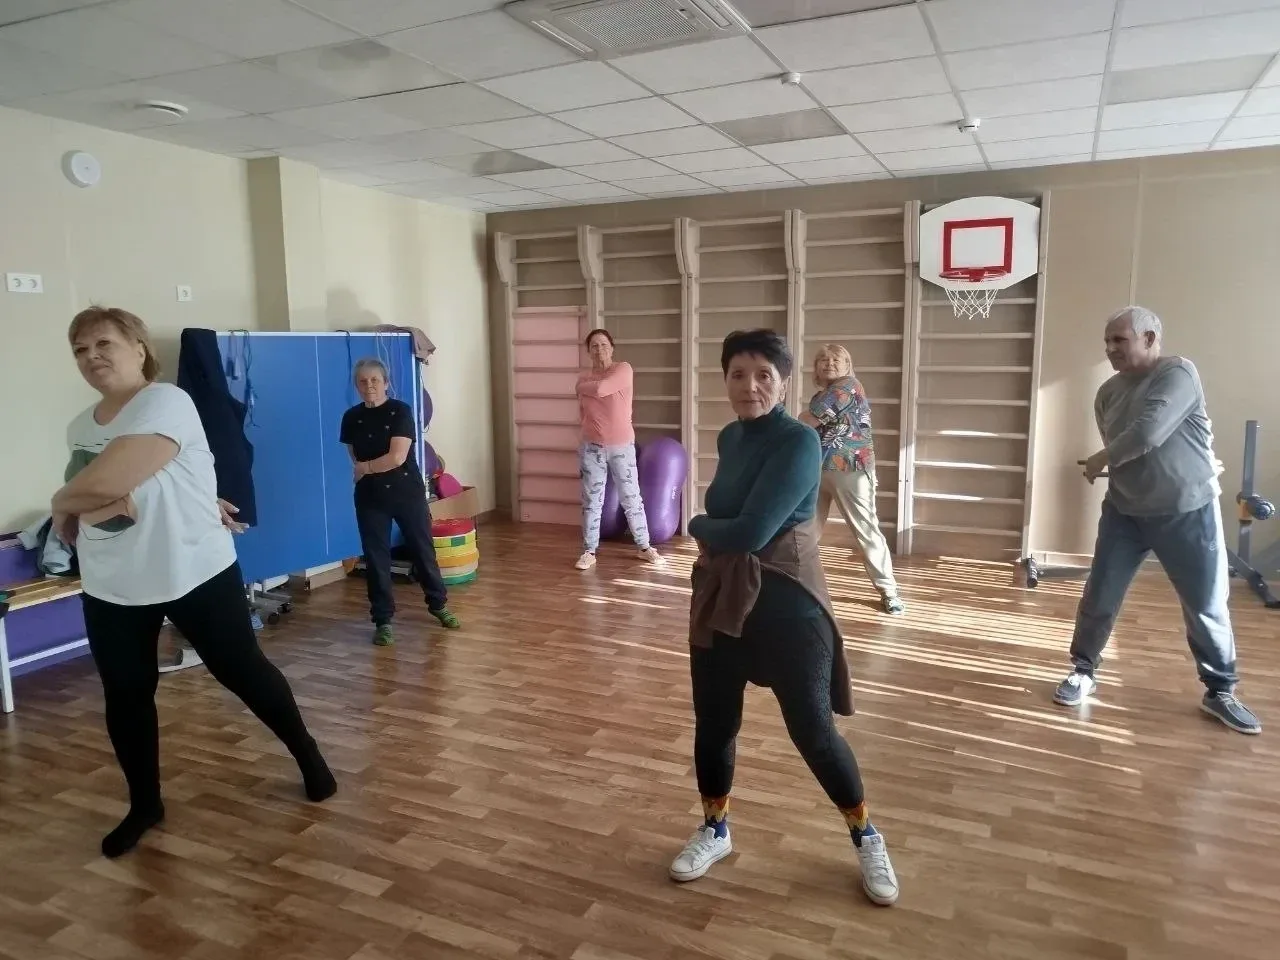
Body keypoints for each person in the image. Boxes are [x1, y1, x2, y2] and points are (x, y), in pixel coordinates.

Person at [54, 306, 336, 859]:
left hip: (193, 570)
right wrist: (85, 501)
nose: (92, 357)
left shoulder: (166, 401)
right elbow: (116, 491)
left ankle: (308, 754)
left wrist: (61, 500)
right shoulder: (80, 427)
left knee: (243, 672)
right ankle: (145, 804)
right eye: (81, 350)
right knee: (126, 697)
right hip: (113, 581)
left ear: (139, 347)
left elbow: (109, 482)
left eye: (104, 343)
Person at [670, 328, 899, 906]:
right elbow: (738, 518)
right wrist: (719, 529)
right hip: (724, 596)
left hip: (788, 604)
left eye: (763, 375)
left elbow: (750, 531)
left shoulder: (800, 442)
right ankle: (715, 829)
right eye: (737, 374)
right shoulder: (730, 436)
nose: (749, 386)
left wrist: (696, 525)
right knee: (714, 723)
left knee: (813, 733)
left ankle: (866, 834)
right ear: (725, 379)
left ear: (784, 381)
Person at [1054, 306, 1260, 735]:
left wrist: (1101, 457)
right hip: (1124, 513)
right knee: (1100, 595)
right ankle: (1083, 670)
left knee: (1205, 604)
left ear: (1149, 339)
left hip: (1187, 511)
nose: (1110, 348)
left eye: (1120, 340)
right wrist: (1112, 459)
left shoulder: (1178, 373)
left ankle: (1220, 691)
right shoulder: (1107, 392)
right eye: (1107, 341)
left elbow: (1148, 433)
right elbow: (1126, 446)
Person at [341, 358, 460, 646]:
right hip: (370, 497)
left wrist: (366, 468)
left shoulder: (400, 411)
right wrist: (365, 468)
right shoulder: (351, 417)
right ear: (357, 386)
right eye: (363, 381)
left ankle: (438, 605)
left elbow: (396, 457)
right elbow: (353, 454)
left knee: (422, 550)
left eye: (375, 380)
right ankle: (383, 620)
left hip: (406, 493)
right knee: (376, 558)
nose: (369, 386)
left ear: (386, 382)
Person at [799, 344, 905, 614]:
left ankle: (889, 591)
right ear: (815, 367)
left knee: (865, 529)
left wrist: (801, 416)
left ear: (847, 366)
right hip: (819, 468)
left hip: (850, 468)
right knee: (807, 528)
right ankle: (797, 583)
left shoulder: (848, 386)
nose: (829, 363)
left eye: (836, 359)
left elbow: (809, 420)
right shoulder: (821, 394)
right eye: (823, 359)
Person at [574, 328, 663, 570]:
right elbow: (583, 411)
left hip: (622, 447)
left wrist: (583, 387)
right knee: (592, 501)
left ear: (612, 348)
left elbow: (601, 389)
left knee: (631, 498)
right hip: (591, 448)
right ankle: (589, 551)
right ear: (588, 351)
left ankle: (644, 547)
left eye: (604, 344)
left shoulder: (623, 369)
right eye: (594, 346)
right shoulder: (583, 377)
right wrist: (584, 387)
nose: (599, 349)